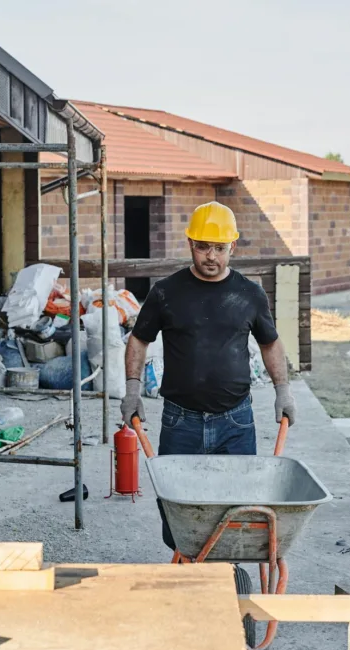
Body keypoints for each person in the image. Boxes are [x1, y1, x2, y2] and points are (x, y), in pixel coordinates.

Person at [120, 201, 297, 550]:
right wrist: (131, 389)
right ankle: (189, 569)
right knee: (178, 516)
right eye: (203, 247)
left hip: (236, 423)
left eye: (219, 248)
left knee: (239, 509)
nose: (211, 256)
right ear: (190, 245)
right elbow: (139, 339)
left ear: (233, 246)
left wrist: (283, 391)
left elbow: (270, 343)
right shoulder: (166, 292)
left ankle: (228, 571)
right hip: (180, 422)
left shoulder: (249, 294)